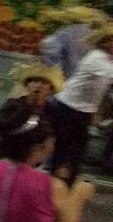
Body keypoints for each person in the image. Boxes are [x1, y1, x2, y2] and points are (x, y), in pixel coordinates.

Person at [45, 24, 113, 184]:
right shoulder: (97, 58)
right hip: (66, 110)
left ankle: (60, 185)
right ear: (108, 43)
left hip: (79, 112)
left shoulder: (107, 59)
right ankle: (56, 187)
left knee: (72, 155)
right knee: (66, 155)